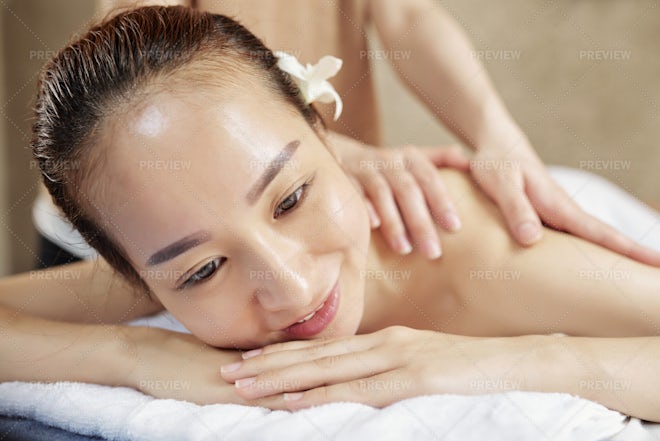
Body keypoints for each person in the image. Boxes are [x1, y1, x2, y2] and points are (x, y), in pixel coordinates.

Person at [6, 6, 659, 421]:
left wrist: (507, 360)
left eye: (290, 199)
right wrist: (134, 352)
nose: (290, 288)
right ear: (137, 282)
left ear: (325, 134)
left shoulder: (475, 254)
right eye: (203, 270)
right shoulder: (170, 233)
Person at [32, 0, 660, 270]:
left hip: (294, 172)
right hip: (141, 216)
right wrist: (315, 147)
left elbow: (408, 18)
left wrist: (498, 137)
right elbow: (152, 63)